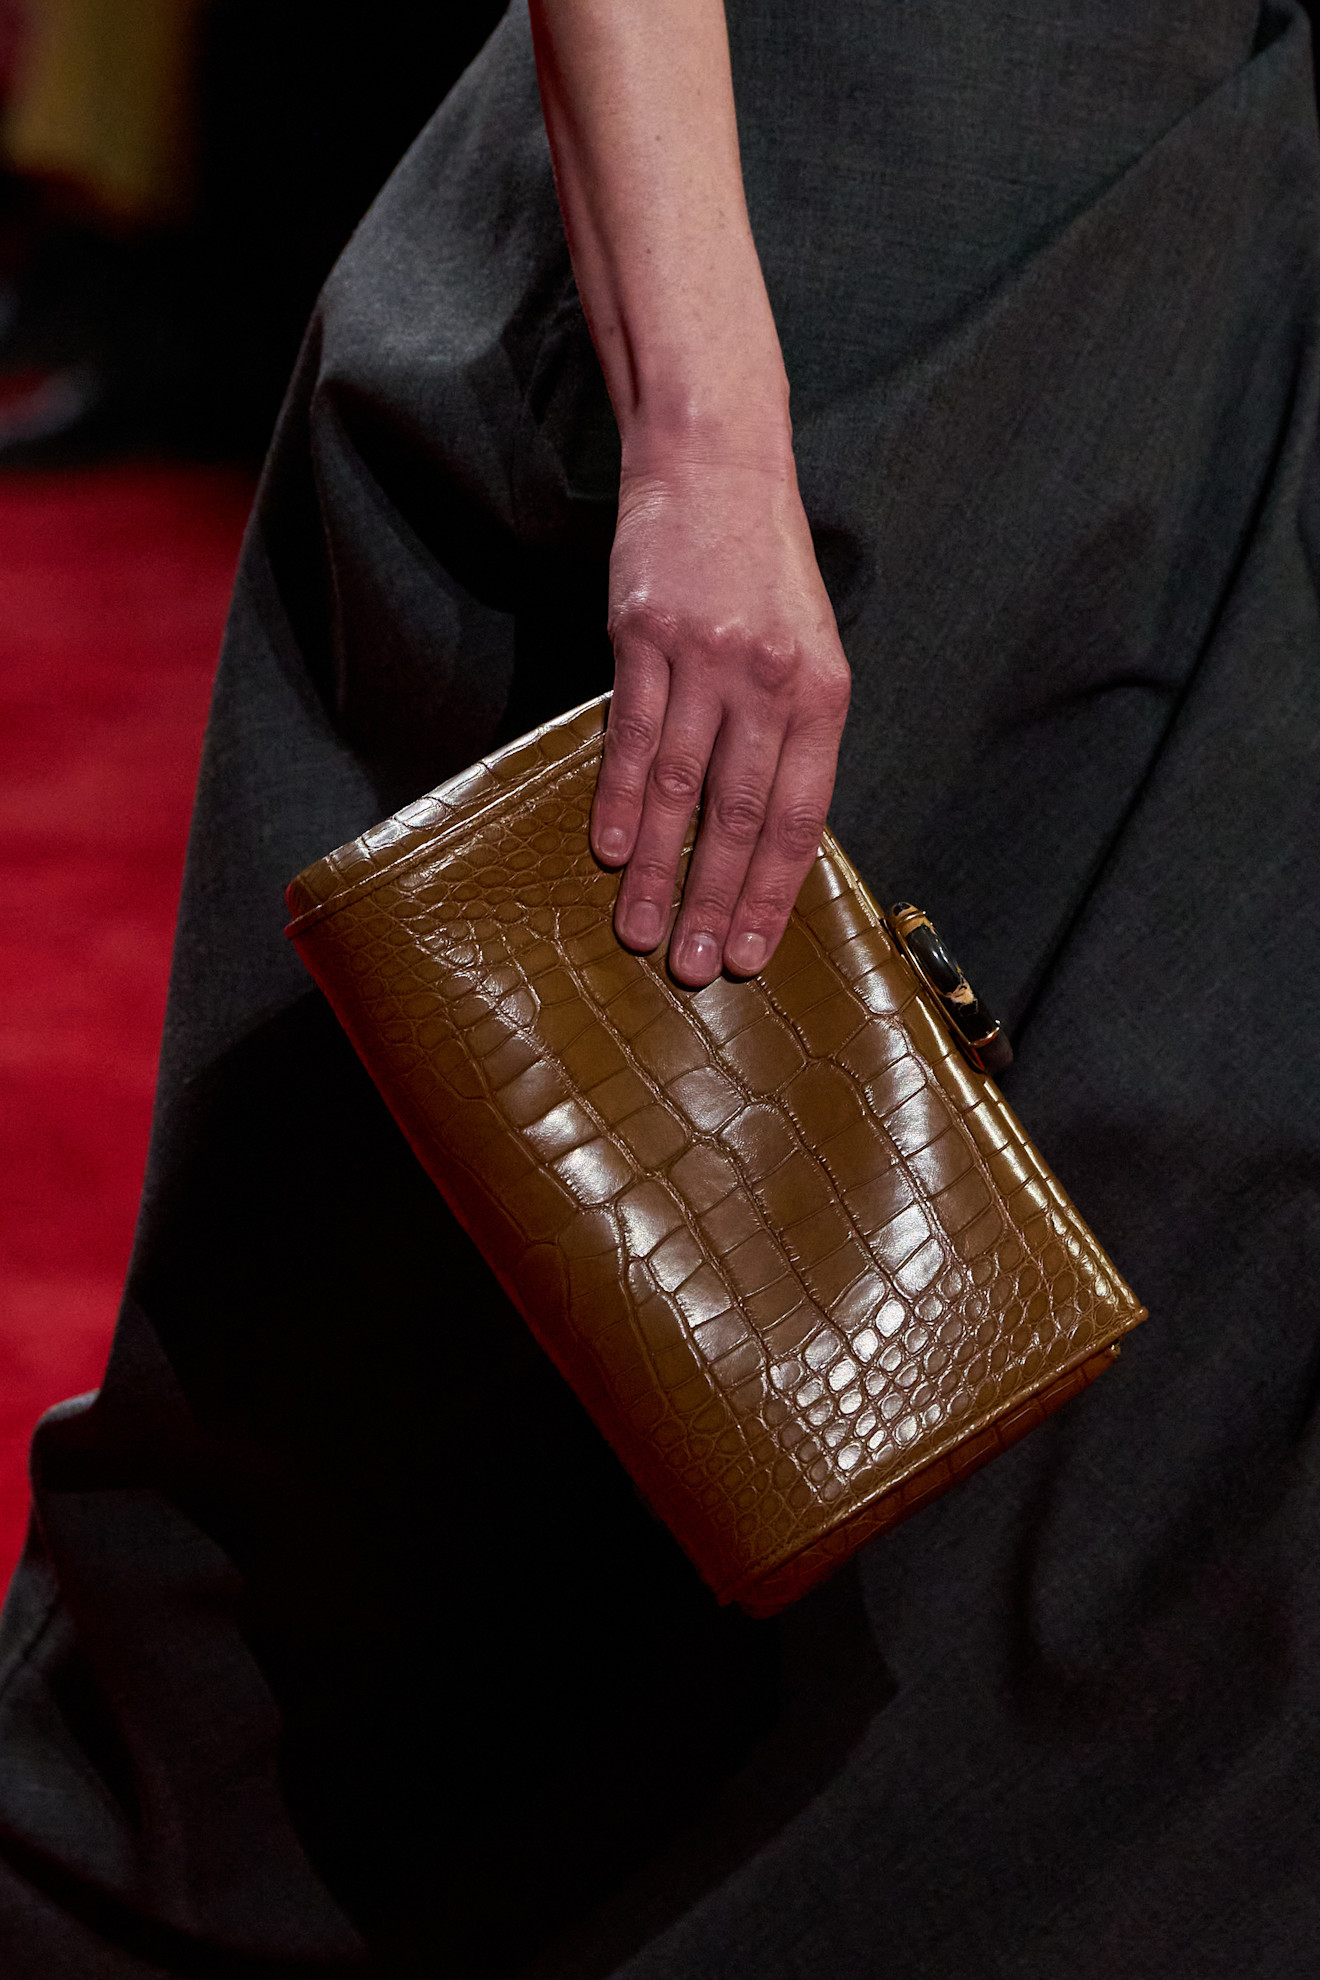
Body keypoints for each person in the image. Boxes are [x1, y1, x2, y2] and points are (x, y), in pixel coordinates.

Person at [2, 1, 1318, 1973]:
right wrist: (699, 435)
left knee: (1150, 1513)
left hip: (1213, 309)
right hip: (799, 318)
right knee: (446, 1502)